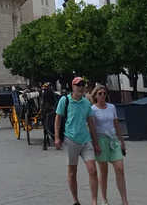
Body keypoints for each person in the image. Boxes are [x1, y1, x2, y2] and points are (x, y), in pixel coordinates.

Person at [55, 77, 100, 205]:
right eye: (78, 85)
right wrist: (57, 138)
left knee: (93, 170)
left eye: (82, 85)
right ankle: (75, 200)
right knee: (72, 172)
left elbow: (91, 123)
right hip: (71, 140)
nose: (81, 87)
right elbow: (58, 119)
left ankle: (94, 201)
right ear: (73, 86)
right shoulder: (65, 100)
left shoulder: (86, 102)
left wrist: (96, 143)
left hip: (85, 140)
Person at [90, 84, 129, 205]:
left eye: (104, 93)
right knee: (104, 171)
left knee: (120, 168)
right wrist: (95, 144)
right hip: (101, 141)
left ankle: (124, 200)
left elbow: (116, 125)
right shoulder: (92, 109)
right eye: (100, 94)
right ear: (95, 95)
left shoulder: (112, 107)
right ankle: (104, 199)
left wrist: (121, 141)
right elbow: (92, 128)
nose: (102, 96)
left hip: (113, 140)